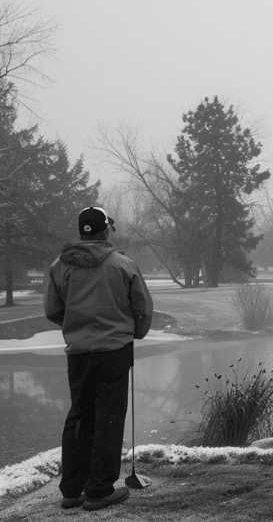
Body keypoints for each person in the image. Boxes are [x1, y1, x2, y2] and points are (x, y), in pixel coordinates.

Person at [44, 206, 153, 511]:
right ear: (106, 230)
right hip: (114, 352)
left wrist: (76, 325)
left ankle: (72, 490)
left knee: (80, 415)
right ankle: (99, 490)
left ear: (82, 231)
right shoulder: (122, 264)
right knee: (108, 416)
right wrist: (134, 331)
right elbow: (142, 309)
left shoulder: (60, 266)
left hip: (78, 353)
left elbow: (53, 310)